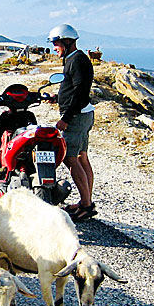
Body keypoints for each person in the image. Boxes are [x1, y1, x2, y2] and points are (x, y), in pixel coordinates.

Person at [47, 24, 97, 221]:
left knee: (70, 158)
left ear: (67, 42)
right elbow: (73, 90)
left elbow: (80, 94)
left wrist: (65, 119)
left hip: (77, 117)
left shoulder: (76, 61)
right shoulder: (73, 59)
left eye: (56, 43)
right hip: (83, 114)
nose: (54, 47)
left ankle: (86, 205)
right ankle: (86, 202)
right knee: (82, 157)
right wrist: (57, 97)